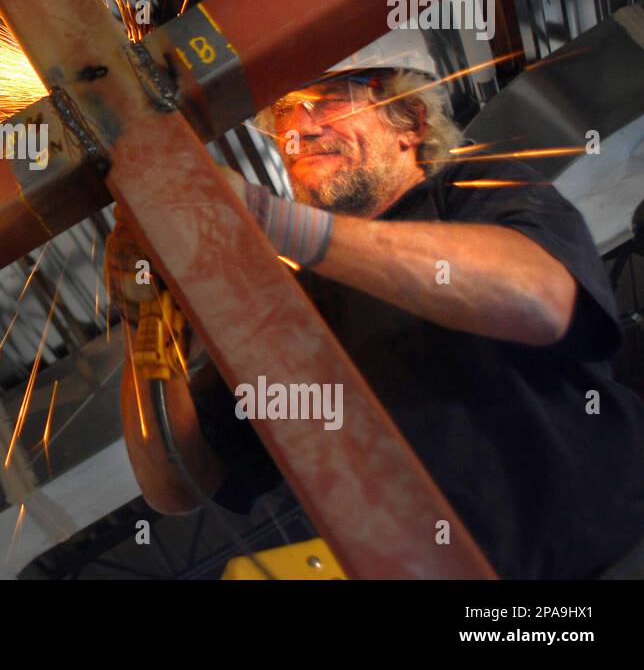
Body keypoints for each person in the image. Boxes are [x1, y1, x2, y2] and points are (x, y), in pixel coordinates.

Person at [110, 34, 644, 579]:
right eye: (286, 112)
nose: (302, 129)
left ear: (410, 120)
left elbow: (541, 298)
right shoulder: (285, 309)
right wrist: (147, 326)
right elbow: (176, 485)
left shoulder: (475, 191)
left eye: (332, 98)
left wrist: (269, 219)